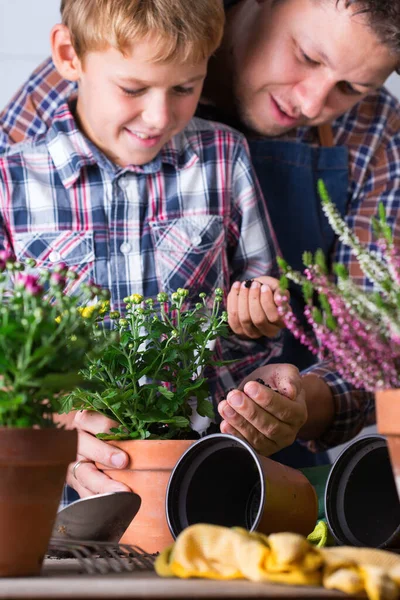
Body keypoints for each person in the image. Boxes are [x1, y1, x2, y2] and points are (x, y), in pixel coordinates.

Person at [2, 0, 400, 491]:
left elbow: (377, 347)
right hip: (70, 476)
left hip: (238, 461)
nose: (313, 103)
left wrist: (294, 402)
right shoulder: (99, 51)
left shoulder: (371, 132)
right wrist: (43, 423)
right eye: (308, 56)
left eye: (350, 88)